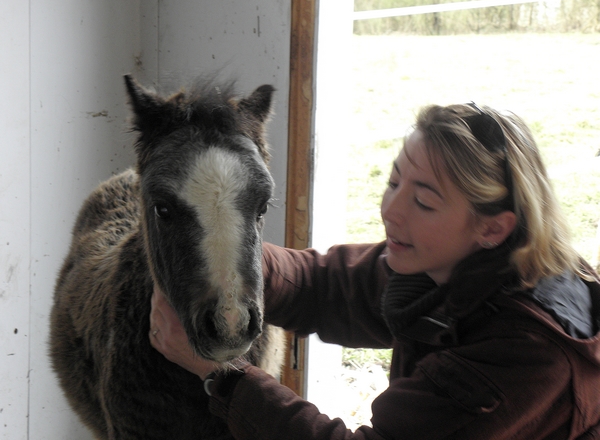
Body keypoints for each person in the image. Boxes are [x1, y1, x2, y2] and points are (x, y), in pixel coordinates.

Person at [149, 103, 600, 439]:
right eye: (394, 181)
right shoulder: (451, 262)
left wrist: (221, 374)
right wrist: (222, 260)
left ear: (492, 227)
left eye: (423, 201)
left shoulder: (526, 355)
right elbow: (326, 285)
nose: (391, 210)